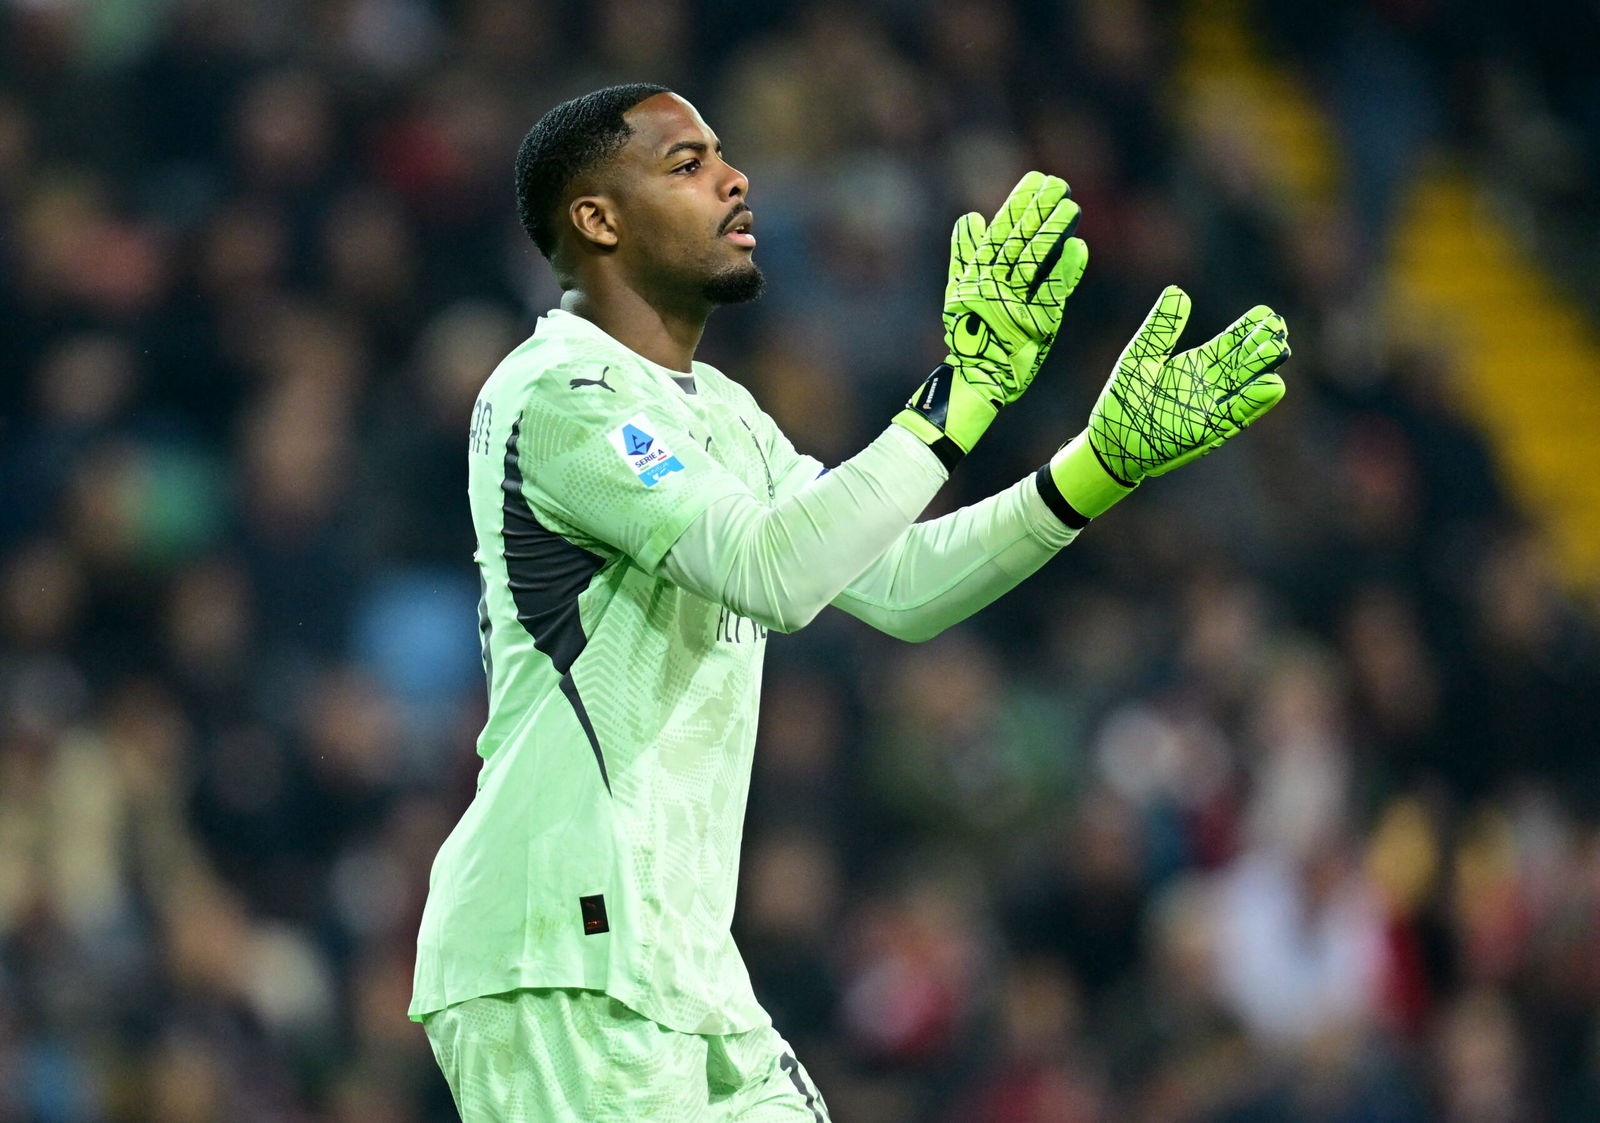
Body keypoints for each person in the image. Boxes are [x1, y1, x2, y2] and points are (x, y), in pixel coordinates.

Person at [409, 82, 1290, 1121]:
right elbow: (771, 573)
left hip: (679, 964)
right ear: (596, 220)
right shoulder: (557, 393)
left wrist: (1090, 468)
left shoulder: (725, 416)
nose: (734, 179)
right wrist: (959, 398)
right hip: (557, 948)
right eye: (684, 164)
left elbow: (893, 584)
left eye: (723, 154)